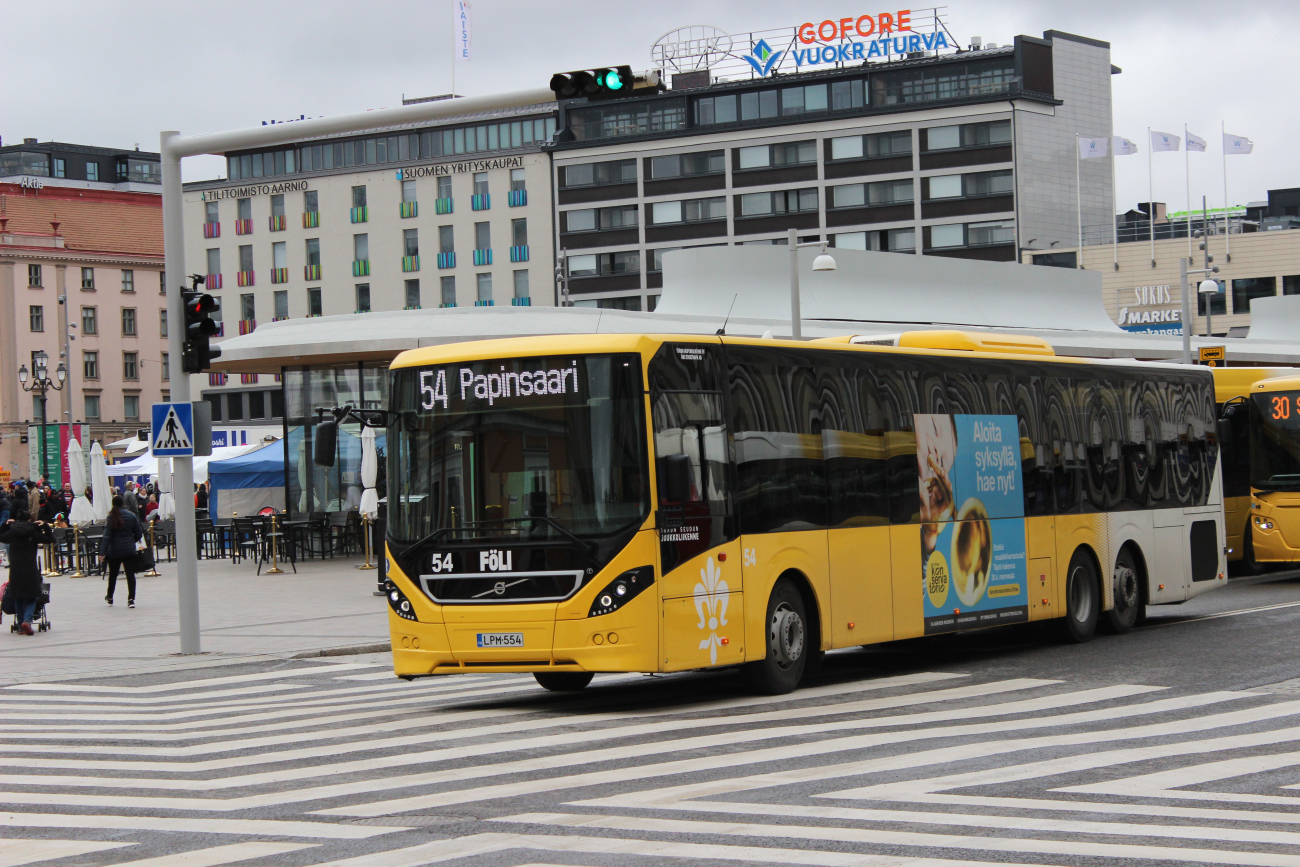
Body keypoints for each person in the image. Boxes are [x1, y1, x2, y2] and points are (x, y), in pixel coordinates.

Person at [0, 509, 52, 635]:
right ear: (29, 519)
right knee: (32, 596)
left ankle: (20, 624)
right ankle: (27, 621)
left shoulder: (12, 532)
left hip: (16, 569)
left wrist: (5, 525)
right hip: (30, 568)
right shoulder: (33, 532)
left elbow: (1, 536)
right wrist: (44, 525)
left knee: (18, 596)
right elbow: (50, 539)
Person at [98, 494, 143, 608]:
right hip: (129, 550)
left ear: (113, 504)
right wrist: (131, 541)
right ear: (123, 503)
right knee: (130, 575)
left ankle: (110, 596)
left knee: (113, 574)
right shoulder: (131, 515)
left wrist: (102, 552)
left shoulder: (111, 517)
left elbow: (107, 536)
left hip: (115, 550)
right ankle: (131, 599)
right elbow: (139, 533)